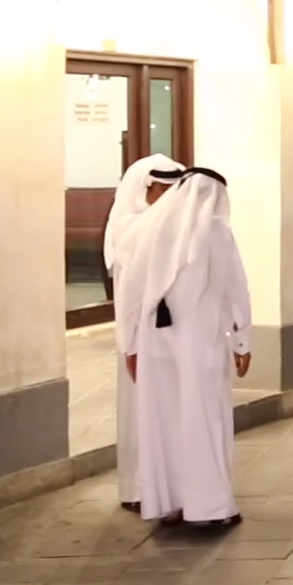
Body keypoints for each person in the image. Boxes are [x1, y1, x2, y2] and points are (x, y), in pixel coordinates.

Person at [115, 168, 251, 527]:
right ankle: (211, 507)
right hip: (200, 345)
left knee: (164, 419)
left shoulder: (148, 231)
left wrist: (129, 345)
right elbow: (233, 290)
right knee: (203, 418)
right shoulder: (216, 233)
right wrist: (241, 340)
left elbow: (128, 292)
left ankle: (168, 502)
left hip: (155, 344)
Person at [101, 154, 186, 510]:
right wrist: (130, 343)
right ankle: (141, 487)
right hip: (140, 334)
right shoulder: (128, 227)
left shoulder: (176, 223)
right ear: (144, 189)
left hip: (174, 335)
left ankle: (172, 485)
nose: (167, 197)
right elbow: (130, 293)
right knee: (142, 412)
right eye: (160, 189)